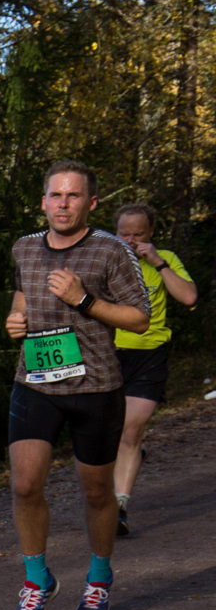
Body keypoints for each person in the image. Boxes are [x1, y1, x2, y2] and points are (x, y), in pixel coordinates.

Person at [3, 160, 149, 610]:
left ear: (91, 202)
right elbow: (23, 294)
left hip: (96, 388)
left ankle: (99, 577)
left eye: (73, 195)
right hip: (36, 382)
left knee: (97, 492)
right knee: (25, 485)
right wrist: (16, 319)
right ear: (43, 200)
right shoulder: (25, 247)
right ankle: (36, 580)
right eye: (55, 195)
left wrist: (84, 301)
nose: (63, 204)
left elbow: (139, 318)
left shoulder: (111, 251)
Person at [109, 202, 197, 537]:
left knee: (130, 432)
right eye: (124, 234)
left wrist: (158, 261)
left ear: (151, 233)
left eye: (138, 234)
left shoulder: (166, 259)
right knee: (107, 433)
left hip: (150, 355)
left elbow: (188, 297)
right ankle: (128, 461)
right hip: (108, 354)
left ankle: (119, 508)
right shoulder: (104, 258)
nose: (131, 240)